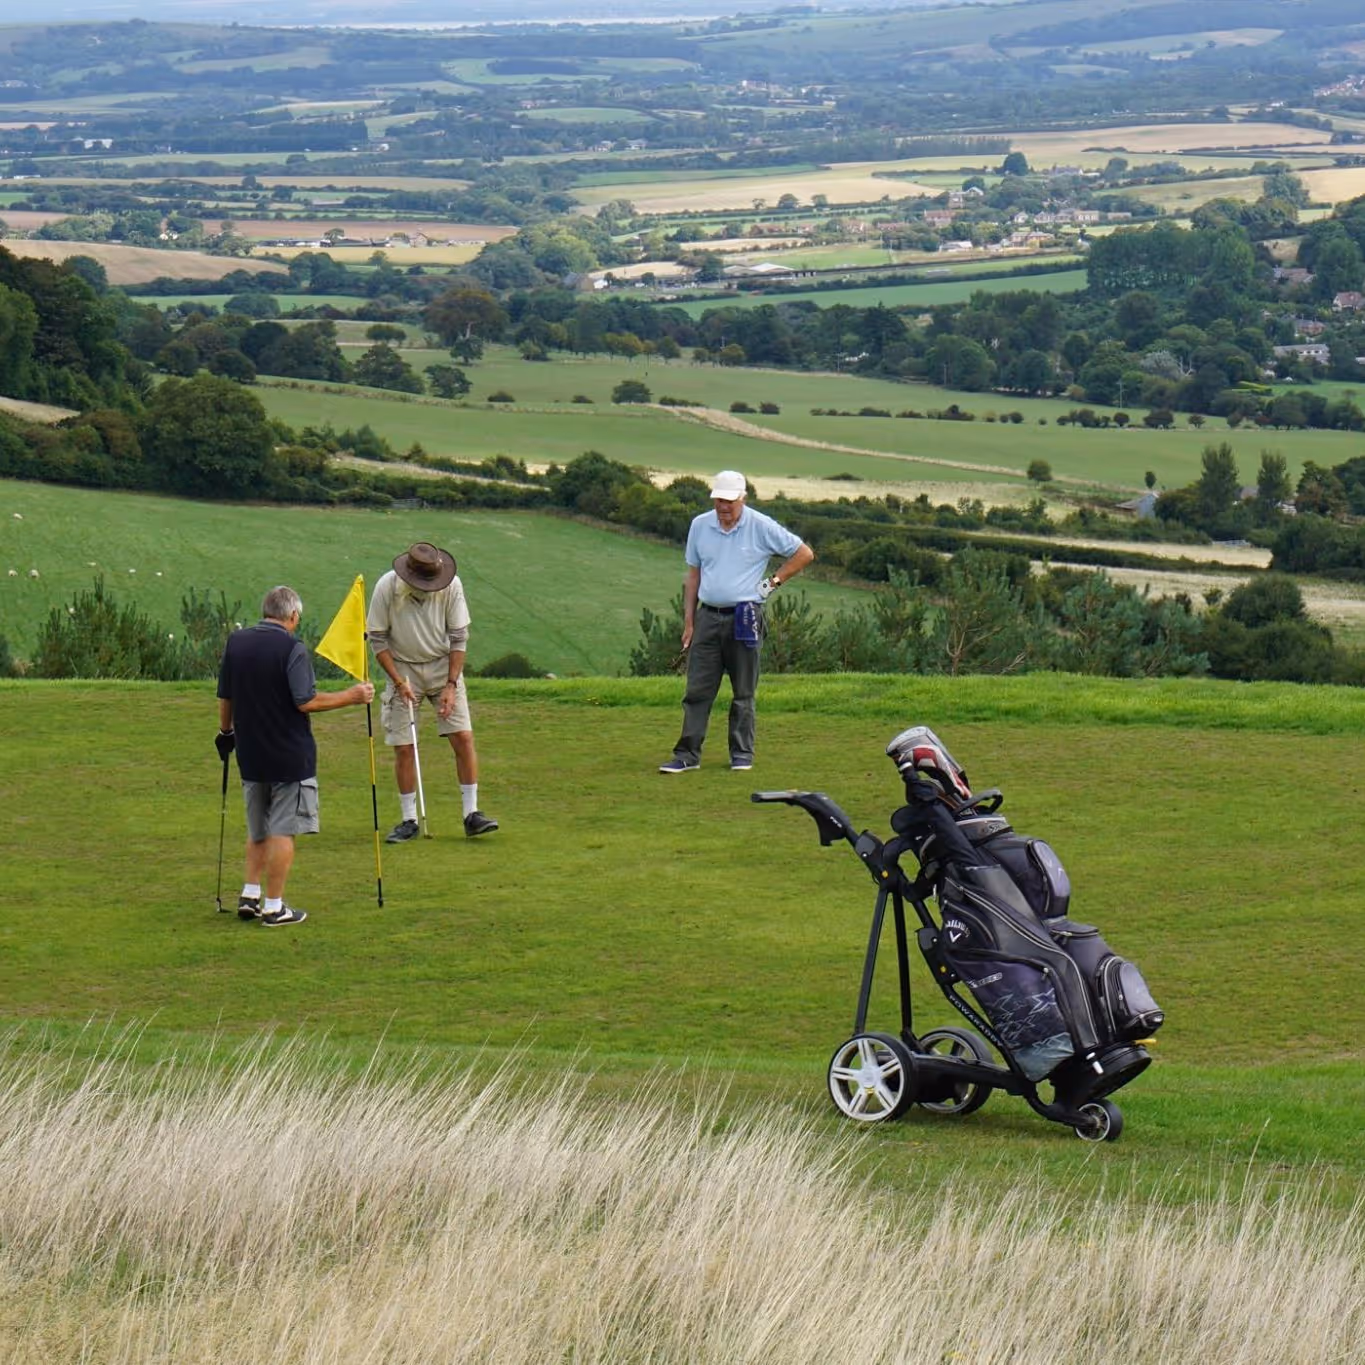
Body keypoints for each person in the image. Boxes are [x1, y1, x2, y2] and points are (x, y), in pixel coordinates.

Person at [216, 585, 374, 927]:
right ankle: (274, 907)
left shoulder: (236, 643)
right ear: (292, 615)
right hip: (288, 755)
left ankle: (249, 893)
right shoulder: (292, 648)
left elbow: (226, 696)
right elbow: (306, 701)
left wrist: (225, 733)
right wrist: (352, 696)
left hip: (250, 752)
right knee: (282, 831)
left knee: (257, 826)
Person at [659, 470, 814, 774]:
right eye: (719, 500)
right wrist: (689, 622)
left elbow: (803, 553)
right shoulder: (700, 526)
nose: (723, 507)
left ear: (742, 498)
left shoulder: (760, 525)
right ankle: (688, 755)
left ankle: (741, 753)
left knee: (743, 690)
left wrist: (770, 585)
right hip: (708, 616)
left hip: (745, 616)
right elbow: (693, 576)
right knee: (697, 690)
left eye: (729, 501)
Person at [367, 541, 498, 842]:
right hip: (403, 669)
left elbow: (458, 638)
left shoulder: (452, 587)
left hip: (443, 667)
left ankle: (471, 814)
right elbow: (377, 640)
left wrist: (452, 684)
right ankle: (408, 819)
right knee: (404, 745)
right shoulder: (387, 587)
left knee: (463, 736)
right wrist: (399, 681)